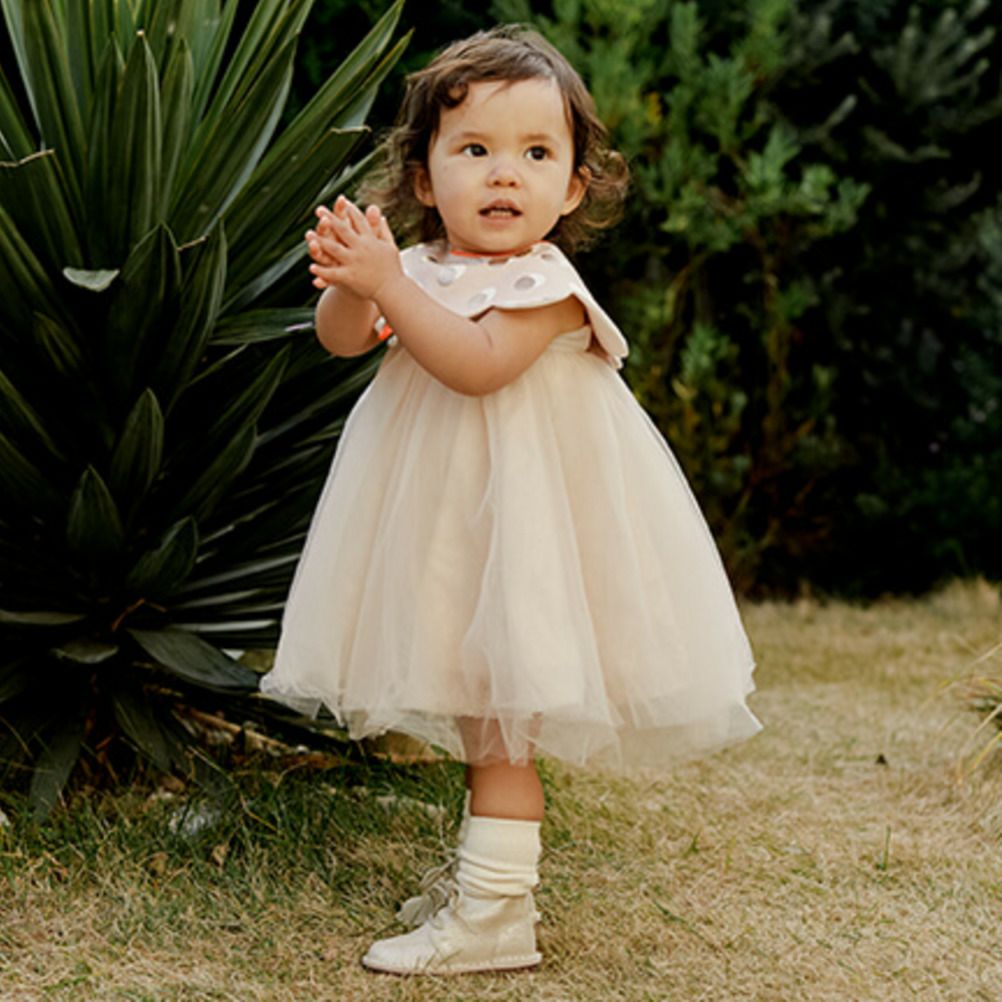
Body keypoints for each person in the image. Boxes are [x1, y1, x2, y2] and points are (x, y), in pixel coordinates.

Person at [259, 24, 762, 976]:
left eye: (536, 153)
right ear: (423, 178)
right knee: (475, 707)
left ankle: (496, 916)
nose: (504, 174)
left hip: (527, 531)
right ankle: (484, 885)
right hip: (446, 526)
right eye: (475, 150)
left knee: (501, 722)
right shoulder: (419, 268)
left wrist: (390, 286)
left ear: (573, 187)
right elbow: (343, 337)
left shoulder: (548, 284)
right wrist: (353, 279)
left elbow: (477, 364)